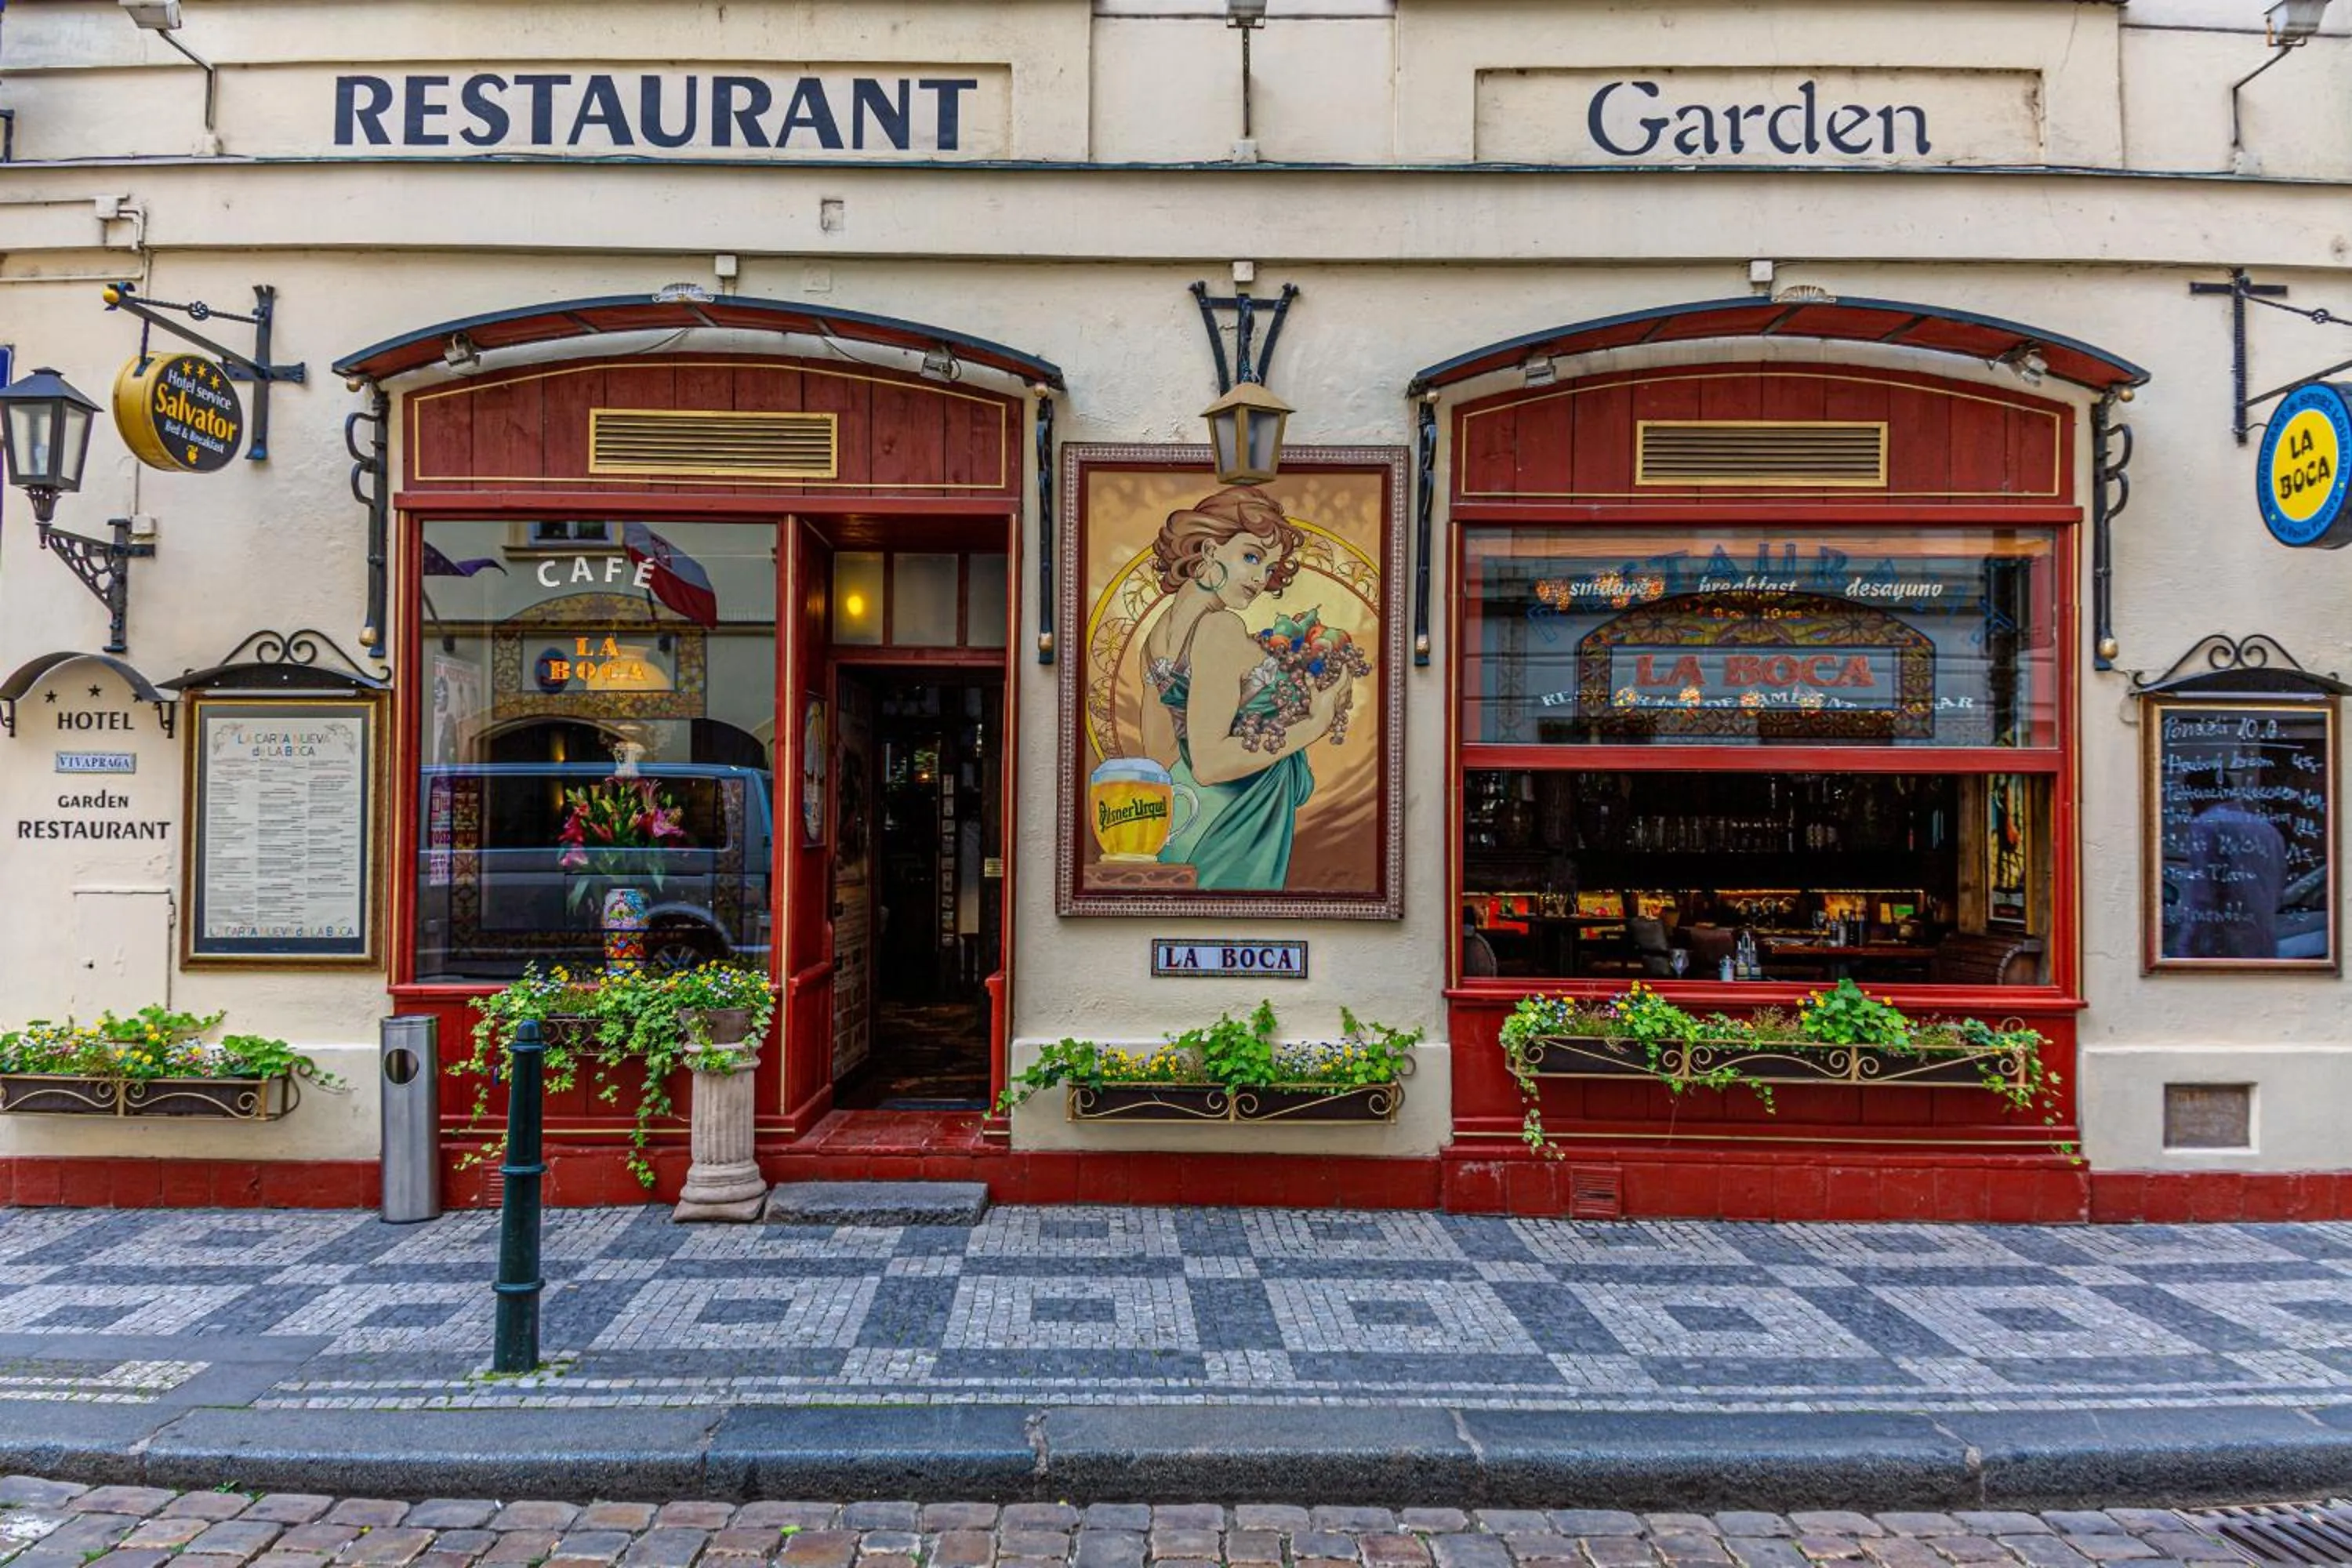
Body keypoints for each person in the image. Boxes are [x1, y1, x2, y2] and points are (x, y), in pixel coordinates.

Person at [1138, 485, 1356, 891]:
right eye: (1251, 556)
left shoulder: (1157, 637)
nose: (1260, 578)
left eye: (1268, 567)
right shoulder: (1221, 628)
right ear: (1207, 551)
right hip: (1235, 830)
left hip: (1186, 831)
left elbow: (1161, 758)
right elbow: (1209, 765)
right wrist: (1315, 721)